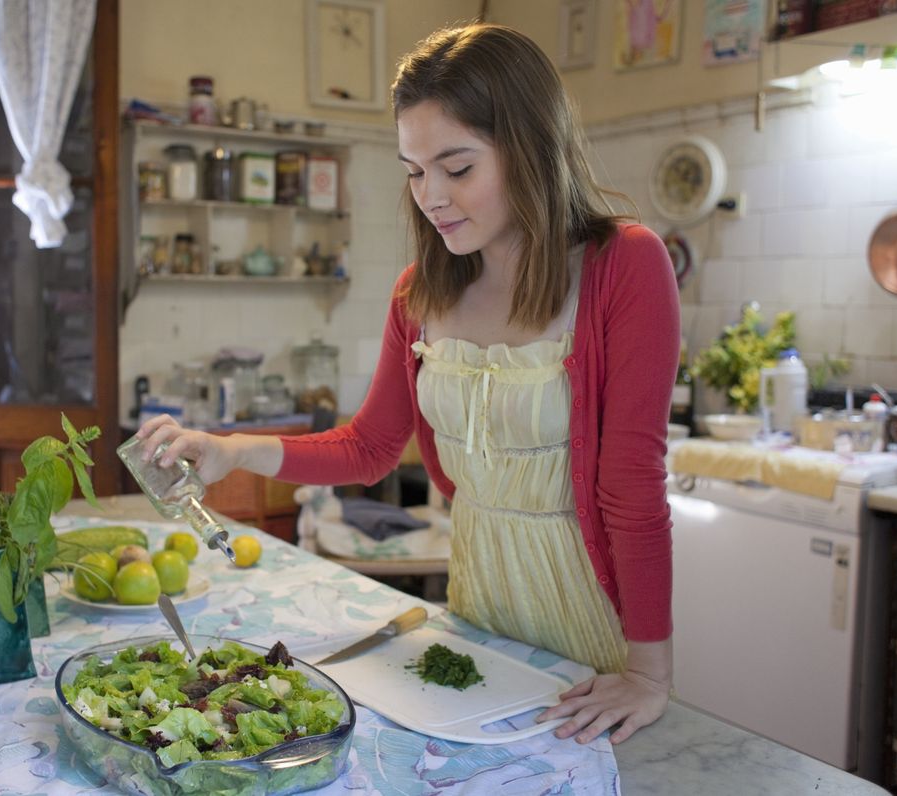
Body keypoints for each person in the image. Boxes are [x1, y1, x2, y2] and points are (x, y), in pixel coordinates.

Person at [137, 23, 679, 745]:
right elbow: (369, 446)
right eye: (415, 170)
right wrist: (233, 450)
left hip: (595, 628)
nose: (432, 196)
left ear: (529, 147)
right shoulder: (419, 292)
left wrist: (649, 674)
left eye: (457, 168)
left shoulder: (625, 266)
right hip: (479, 614)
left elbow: (631, 484)